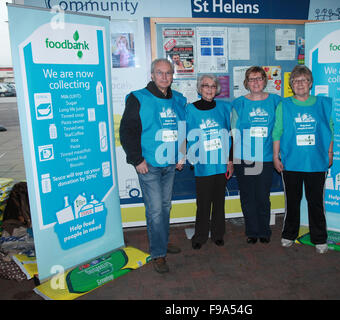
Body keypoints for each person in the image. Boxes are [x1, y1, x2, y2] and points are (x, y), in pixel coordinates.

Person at [119, 58, 187, 273]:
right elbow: (127, 131)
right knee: (156, 210)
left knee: (165, 206)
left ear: (172, 75)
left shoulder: (178, 99)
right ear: (152, 75)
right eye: (160, 73)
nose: (164, 77)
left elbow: (182, 128)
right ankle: (158, 253)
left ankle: (162, 241)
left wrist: (182, 154)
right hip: (148, 163)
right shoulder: (138, 98)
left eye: (168, 73)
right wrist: (136, 159)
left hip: (170, 163)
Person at [272, 65, 334, 254]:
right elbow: (277, 132)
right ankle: (289, 234)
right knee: (292, 201)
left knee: (316, 202)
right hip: (292, 162)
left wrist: (330, 153)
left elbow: (330, 130)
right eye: (296, 81)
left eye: (304, 80)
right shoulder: (284, 105)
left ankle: (320, 238)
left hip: (316, 162)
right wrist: (276, 156)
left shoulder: (323, 104)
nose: (300, 84)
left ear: (310, 83)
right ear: (291, 85)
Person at [232, 66, 282, 244]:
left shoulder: (276, 101)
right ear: (246, 83)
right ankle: (252, 232)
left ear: (265, 81)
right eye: (251, 79)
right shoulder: (238, 103)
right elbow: (234, 133)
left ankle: (264, 231)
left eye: (259, 78)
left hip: (266, 157)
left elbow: (280, 129)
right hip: (243, 157)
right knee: (247, 197)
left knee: (262, 196)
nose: (255, 82)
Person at [186, 74, 233, 249]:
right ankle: (200, 236)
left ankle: (218, 234)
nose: (209, 89)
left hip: (221, 164)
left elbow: (231, 135)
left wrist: (230, 161)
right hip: (202, 164)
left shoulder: (224, 108)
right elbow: (185, 135)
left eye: (213, 86)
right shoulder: (190, 110)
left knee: (219, 202)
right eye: (206, 85)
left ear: (217, 89)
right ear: (199, 88)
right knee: (203, 203)